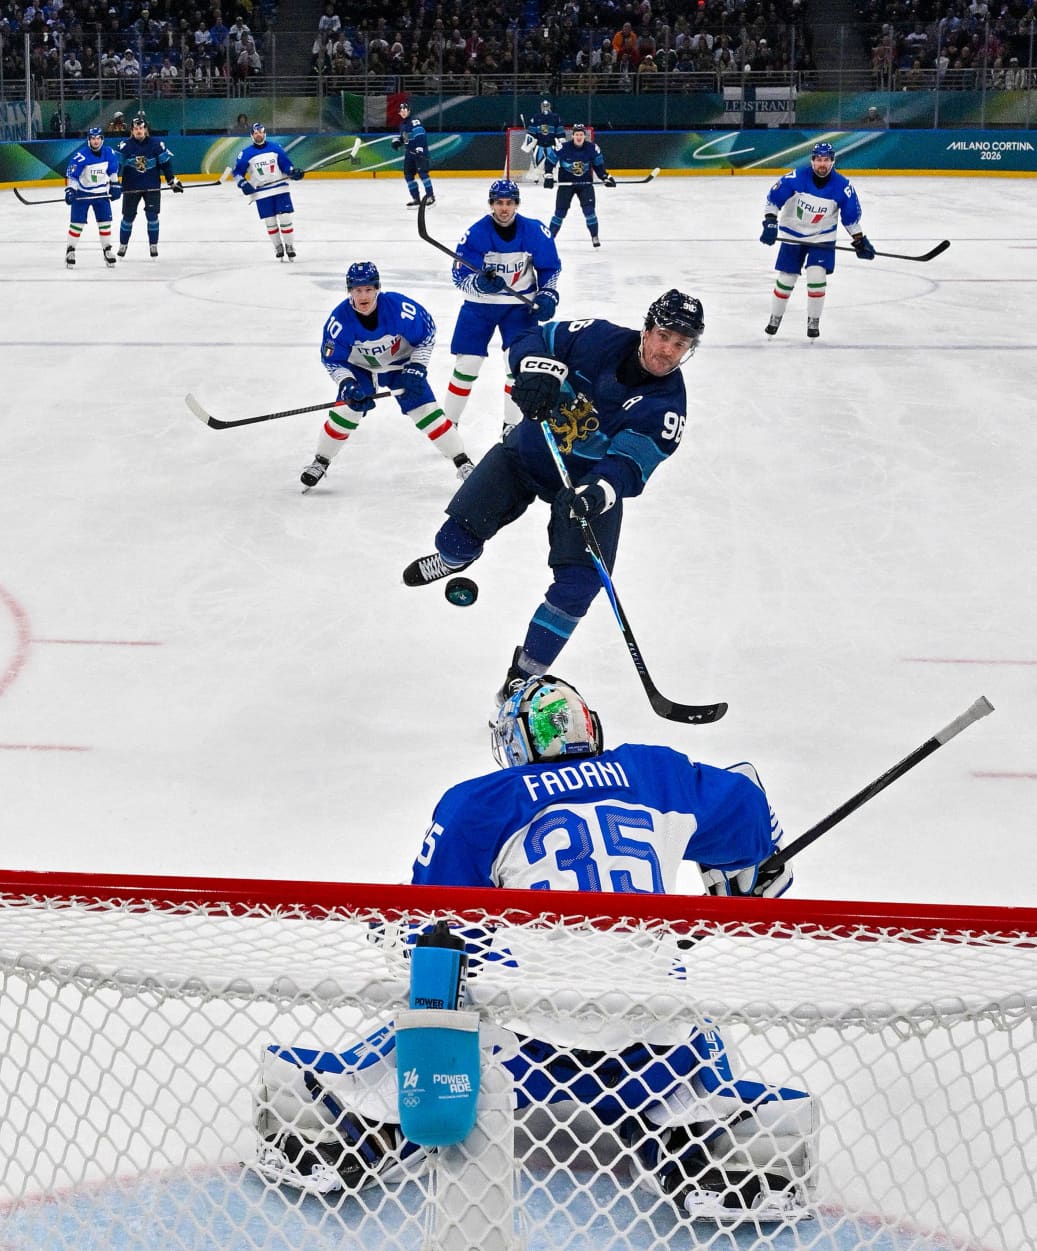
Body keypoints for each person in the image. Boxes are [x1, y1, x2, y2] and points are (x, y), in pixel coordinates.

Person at [253, 675, 814, 1223]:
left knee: (440, 1011)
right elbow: (746, 802)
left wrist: (392, 931)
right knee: (692, 1026)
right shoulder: (654, 772)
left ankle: (346, 1123)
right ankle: (720, 1141)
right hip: (651, 1040)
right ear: (590, 727)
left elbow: (433, 934)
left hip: (525, 1043)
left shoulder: (483, 802)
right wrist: (749, 871)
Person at [404, 289, 704, 704]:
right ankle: (455, 560)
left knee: (580, 584)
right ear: (647, 329)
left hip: (582, 486)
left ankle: (523, 675)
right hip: (525, 455)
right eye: (665, 336)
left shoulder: (667, 405)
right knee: (452, 540)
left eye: (681, 344)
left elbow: (629, 465)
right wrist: (534, 370)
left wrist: (597, 493)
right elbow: (532, 337)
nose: (668, 350)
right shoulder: (596, 337)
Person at [300, 262, 475, 490]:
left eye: (369, 289)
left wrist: (418, 366)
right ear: (349, 291)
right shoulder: (339, 321)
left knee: (427, 412)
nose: (363, 296)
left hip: (400, 365)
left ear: (377, 288)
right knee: (346, 411)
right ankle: (320, 461)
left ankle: (462, 462)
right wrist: (347, 383)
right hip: (360, 368)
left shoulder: (399, 308)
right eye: (357, 290)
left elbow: (427, 335)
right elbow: (332, 360)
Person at [439, 178, 561, 431]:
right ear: (491, 204)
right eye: (498, 203)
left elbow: (550, 267)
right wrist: (479, 284)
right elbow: (459, 276)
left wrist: (548, 294)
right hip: (478, 307)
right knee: (467, 364)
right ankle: (449, 425)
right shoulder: (476, 234)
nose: (504, 208)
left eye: (509, 203)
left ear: (516, 204)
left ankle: (511, 425)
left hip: (519, 307)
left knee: (516, 365)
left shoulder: (535, 231)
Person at [759, 141, 874, 340]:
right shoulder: (796, 178)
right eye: (819, 160)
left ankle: (813, 320)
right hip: (793, 234)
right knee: (786, 278)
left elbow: (850, 217)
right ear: (812, 161)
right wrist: (770, 221)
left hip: (823, 237)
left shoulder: (843, 187)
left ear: (833, 162)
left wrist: (859, 240)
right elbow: (773, 199)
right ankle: (775, 317)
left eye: (827, 160)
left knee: (816, 277)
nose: (822, 164)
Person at [231, 121, 305, 261]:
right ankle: (278, 247)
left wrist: (293, 172)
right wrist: (243, 183)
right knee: (270, 222)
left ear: (264, 133)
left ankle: (289, 245)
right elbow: (237, 172)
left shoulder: (276, 148)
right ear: (252, 135)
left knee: (285, 217)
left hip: (280, 189)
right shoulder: (245, 153)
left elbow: (286, 166)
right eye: (255, 132)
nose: (258, 134)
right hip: (262, 192)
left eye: (260, 132)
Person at [115, 112, 182, 259]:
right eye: (135, 128)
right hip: (131, 187)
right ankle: (123, 245)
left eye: (141, 128)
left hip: (151, 187)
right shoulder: (124, 146)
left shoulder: (157, 144)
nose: (139, 131)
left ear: (145, 129)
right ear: (132, 131)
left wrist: (172, 181)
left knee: (152, 216)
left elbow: (166, 164)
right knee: (128, 217)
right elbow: (116, 166)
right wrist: (113, 183)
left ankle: (153, 245)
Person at [543, 122, 615, 248]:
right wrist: (548, 175)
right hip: (566, 185)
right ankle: (550, 239)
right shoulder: (563, 147)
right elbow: (550, 162)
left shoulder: (592, 148)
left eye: (581, 134)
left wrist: (605, 177)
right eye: (577, 134)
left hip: (584, 185)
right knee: (560, 213)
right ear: (573, 136)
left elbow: (599, 166)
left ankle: (594, 236)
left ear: (584, 136)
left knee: (589, 211)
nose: (579, 137)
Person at [64, 126, 121, 269]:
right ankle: (70, 250)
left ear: (102, 139)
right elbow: (73, 176)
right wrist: (71, 190)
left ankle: (107, 250)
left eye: (98, 138)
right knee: (77, 224)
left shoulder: (109, 153)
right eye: (93, 138)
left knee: (105, 223)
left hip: (101, 193)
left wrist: (115, 186)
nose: (95, 141)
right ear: (89, 140)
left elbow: (113, 171)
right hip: (82, 193)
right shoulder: (81, 156)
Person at [391, 100, 434, 208]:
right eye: (401, 110)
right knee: (408, 175)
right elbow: (405, 139)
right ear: (399, 113)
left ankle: (430, 196)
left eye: (405, 110)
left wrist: (419, 148)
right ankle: (416, 199)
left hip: (419, 153)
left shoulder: (415, 121)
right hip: (409, 153)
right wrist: (398, 141)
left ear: (409, 111)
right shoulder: (402, 125)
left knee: (423, 174)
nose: (403, 112)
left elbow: (420, 134)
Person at [521, 98, 564, 184]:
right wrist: (529, 142)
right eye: (544, 106)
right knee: (537, 161)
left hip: (551, 144)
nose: (545, 108)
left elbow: (559, 131)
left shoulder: (556, 117)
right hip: (539, 144)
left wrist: (561, 142)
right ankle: (536, 177)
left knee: (553, 161)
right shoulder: (536, 117)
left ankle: (552, 175)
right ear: (541, 107)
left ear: (549, 106)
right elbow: (532, 132)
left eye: (546, 106)